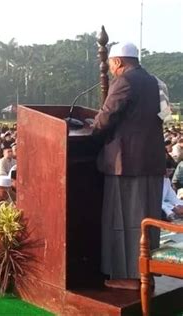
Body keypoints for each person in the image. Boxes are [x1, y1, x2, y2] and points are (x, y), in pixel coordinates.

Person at [91, 42, 165, 290]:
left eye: (111, 65)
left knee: (124, 220)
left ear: (118, 62)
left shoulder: (124, 81)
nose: (111, 70)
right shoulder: (154, 81)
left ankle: (129, 276)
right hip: (150, 163)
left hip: (126, 165)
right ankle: (147, 271)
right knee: (146, 219)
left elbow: (106, 117)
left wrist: (91, 125)